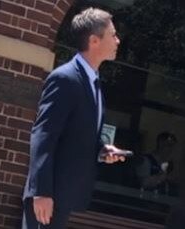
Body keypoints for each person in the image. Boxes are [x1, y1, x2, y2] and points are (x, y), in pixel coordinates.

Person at [22, 7, 124, 229]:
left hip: (65, 196)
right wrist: (41, 192)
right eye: (113, 35)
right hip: (48, 197)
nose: (118, 40)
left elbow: (75, 136)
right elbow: (43, 136)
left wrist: (102, 150)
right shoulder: (65, 79)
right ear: (94, 41)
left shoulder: (92, 82)